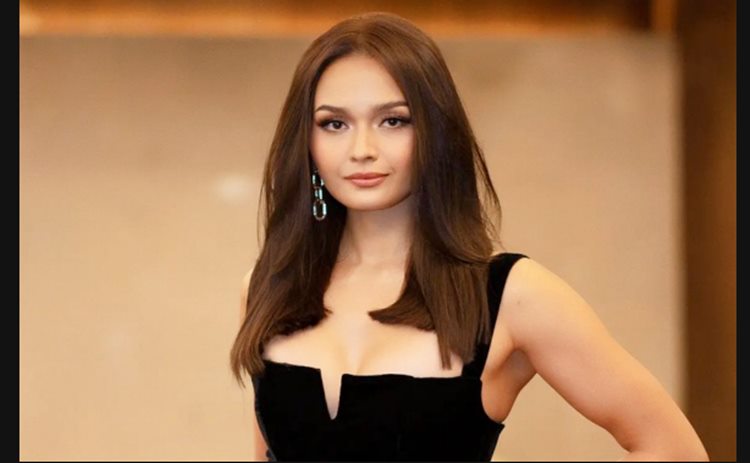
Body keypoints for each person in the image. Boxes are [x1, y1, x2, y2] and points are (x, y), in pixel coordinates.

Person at [229, 11, 708, 462]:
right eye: (334, 123)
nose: (361, 149)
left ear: (435, 132)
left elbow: (674, 449)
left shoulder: (511, 294)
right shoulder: (268, 286)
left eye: (393, 120)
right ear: (306, 142)